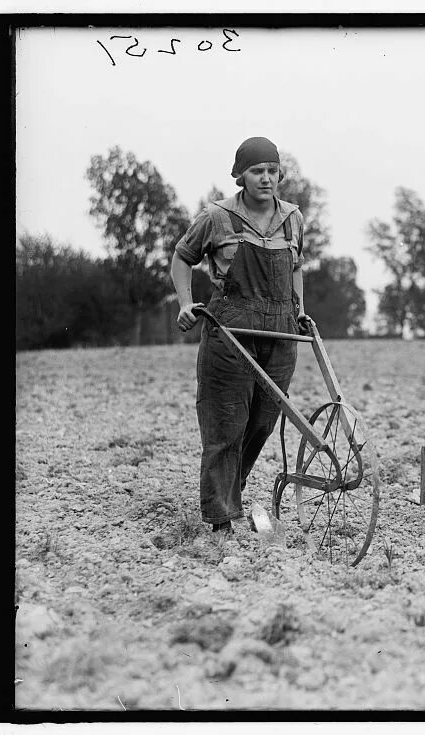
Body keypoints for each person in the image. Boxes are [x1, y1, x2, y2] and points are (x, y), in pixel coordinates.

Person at [170, 136, 307, 543]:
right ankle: (221, 520)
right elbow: (182, 257)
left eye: (272, 171)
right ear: (240, 176)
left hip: (280, 331)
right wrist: (185, 302)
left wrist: (299, 308)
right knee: (226, 424)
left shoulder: (293, 217)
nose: (266, 179)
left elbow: (296, 265)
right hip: (230, 330)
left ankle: (231, 491)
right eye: (256, 171)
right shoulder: (217, 217)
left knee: (263, 421)